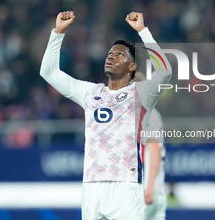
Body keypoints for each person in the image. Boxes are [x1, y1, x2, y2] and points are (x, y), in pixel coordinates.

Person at [40, 11, 171, 220]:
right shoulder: (90, 92)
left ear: (132, 66)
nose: (111, 56)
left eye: (120, 54)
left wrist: (143, 31)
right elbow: (49, 73)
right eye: (110, 53)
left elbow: (165, 71)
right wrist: (58, 33)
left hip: (125, 187)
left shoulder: (141, 94)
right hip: (92, 186)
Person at [134, 72, 167, 220]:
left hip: (146, 192)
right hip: (156, 190)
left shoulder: (146, 114)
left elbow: (153, 147)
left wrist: (149, 187)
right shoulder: (154, 114)